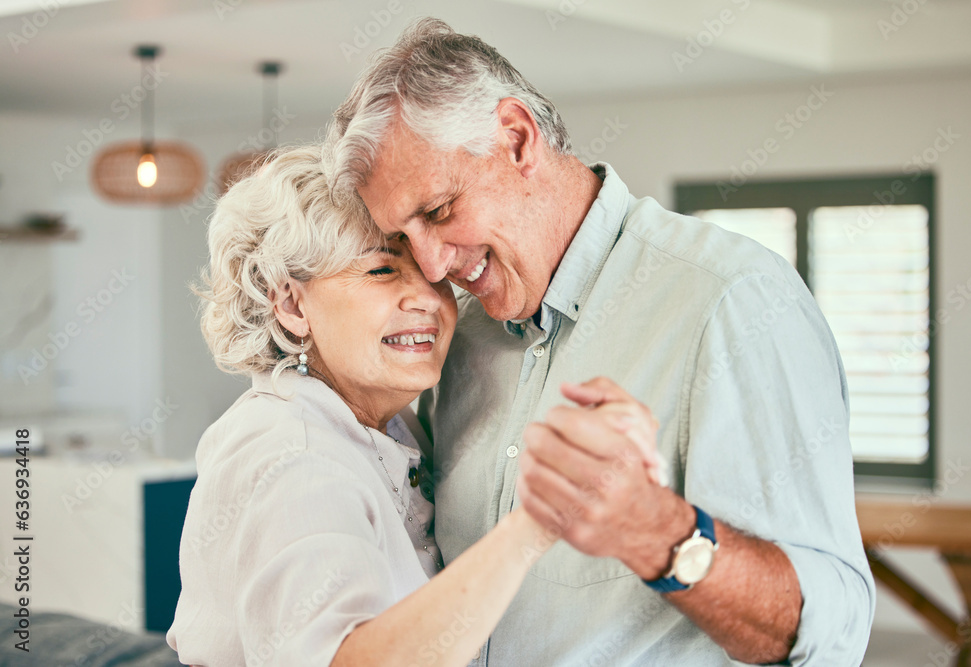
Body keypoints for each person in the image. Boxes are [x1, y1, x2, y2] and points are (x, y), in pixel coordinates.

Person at [324, 18, 876, 665]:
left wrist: (656, 531)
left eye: (440, 211)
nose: (434, 265)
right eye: (403, 238)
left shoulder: (733, 298)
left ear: (517, 138)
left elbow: (837, 626)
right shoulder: (464, 340)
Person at [166, 144, 644, 666]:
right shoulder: (292, 455)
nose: (429, 298)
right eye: (381, 270)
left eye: (434, 275)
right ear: (291, 305)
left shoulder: (388, 426)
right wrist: (538, 521)